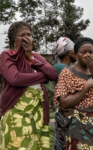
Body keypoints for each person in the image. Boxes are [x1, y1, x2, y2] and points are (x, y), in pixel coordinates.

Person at [0, 21, 58, 150]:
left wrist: (30, 57)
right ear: (14, 39)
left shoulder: (35, 56)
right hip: (16, 114)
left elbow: (53, 75)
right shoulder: (7, 55)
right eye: (22, 35)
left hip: (37, 114)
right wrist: (44, 76)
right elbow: (15, 79)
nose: (26, 38)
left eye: (29, 35)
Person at [53, 37, 93, 150]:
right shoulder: (67, 72)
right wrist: (86, 87)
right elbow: (63, 102)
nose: (87, 55)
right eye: (83, 52)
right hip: (77, 127)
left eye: (91, 52)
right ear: (76, 54)